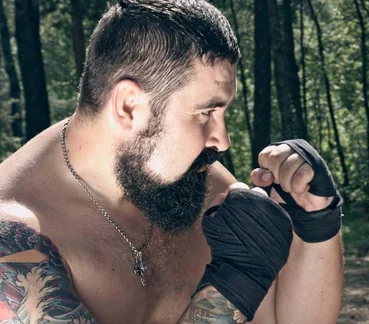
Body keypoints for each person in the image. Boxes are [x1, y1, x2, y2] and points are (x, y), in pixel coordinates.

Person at [0, 1, 344, 323]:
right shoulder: (14, 248)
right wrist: (233, 286)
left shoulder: (192, 184)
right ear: (129, 106)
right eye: (206, 112)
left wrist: (316, 225)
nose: (222, 140)